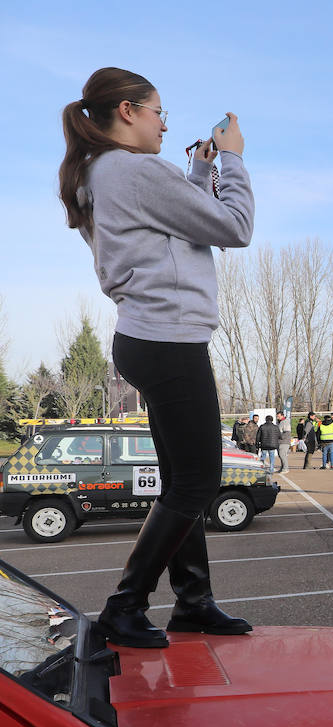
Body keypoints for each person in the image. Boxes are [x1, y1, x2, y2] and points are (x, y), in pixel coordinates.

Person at [60, 66, 253, 647]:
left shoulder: (99, 174)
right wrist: (233, 161)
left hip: (150, 337)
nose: (164, 125)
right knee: (199, 480)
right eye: (157, 112)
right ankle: (125, 606)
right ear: (128, 112)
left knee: (181, 478)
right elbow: (233, 227)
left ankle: (193, 602)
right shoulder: (134, 169)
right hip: (168, 340)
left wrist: (197, 170)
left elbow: (175, 223)